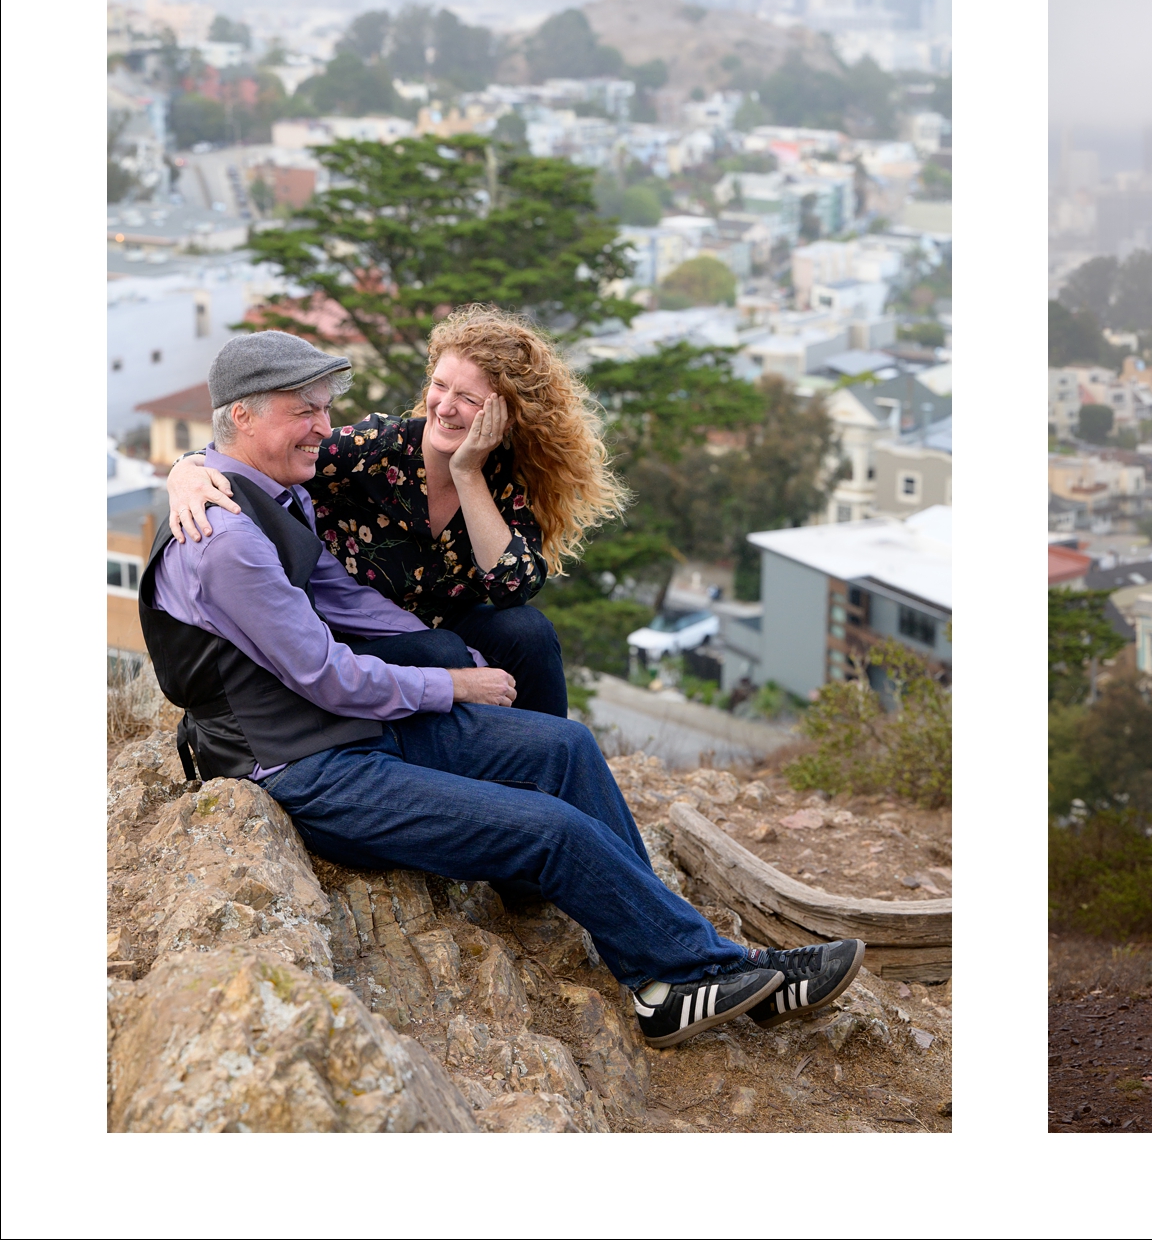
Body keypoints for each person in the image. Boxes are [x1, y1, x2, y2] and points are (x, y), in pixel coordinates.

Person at [140, 330, 863, 1048]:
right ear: (242, 415)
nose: (325, 427)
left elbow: (351, 605)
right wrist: (447, 683)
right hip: (306, 767)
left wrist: (454, 662)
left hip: (348, 726)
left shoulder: (273, 495)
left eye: (327, 408)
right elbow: (325, 673)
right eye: (308, 410)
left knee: (568, 747)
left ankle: (677, 968)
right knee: (551, 830)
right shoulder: (227, 540)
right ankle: (686, 974)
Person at [165, 305, 620, 719]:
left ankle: (549, 752)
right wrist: (185, 469)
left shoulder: (503, 474)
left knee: (529, 631)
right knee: (441, 651)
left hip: (437, 622)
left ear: (506, 414)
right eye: (440, 386)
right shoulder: (376, 449)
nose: (445, 405)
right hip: (353, 628)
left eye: (469, 399)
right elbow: (260, 451)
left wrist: (468, 473)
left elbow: (512, 587)